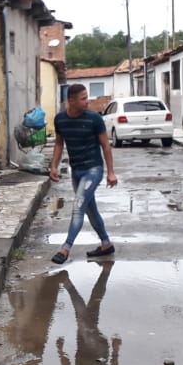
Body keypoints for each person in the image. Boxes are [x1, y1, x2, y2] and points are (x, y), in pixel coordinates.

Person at [49, 84, 117, 263]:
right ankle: (106, 244)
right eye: (83, 98)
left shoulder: (94, 119)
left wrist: (110, 172)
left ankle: (65, 248)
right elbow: (58, 144)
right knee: (90, 209)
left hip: (93, 170)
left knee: (78, 206)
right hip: (76, 172)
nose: (88, 101)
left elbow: (106, 146)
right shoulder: (60, 120)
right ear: (71, 101)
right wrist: (53, 166)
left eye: (87, 97)